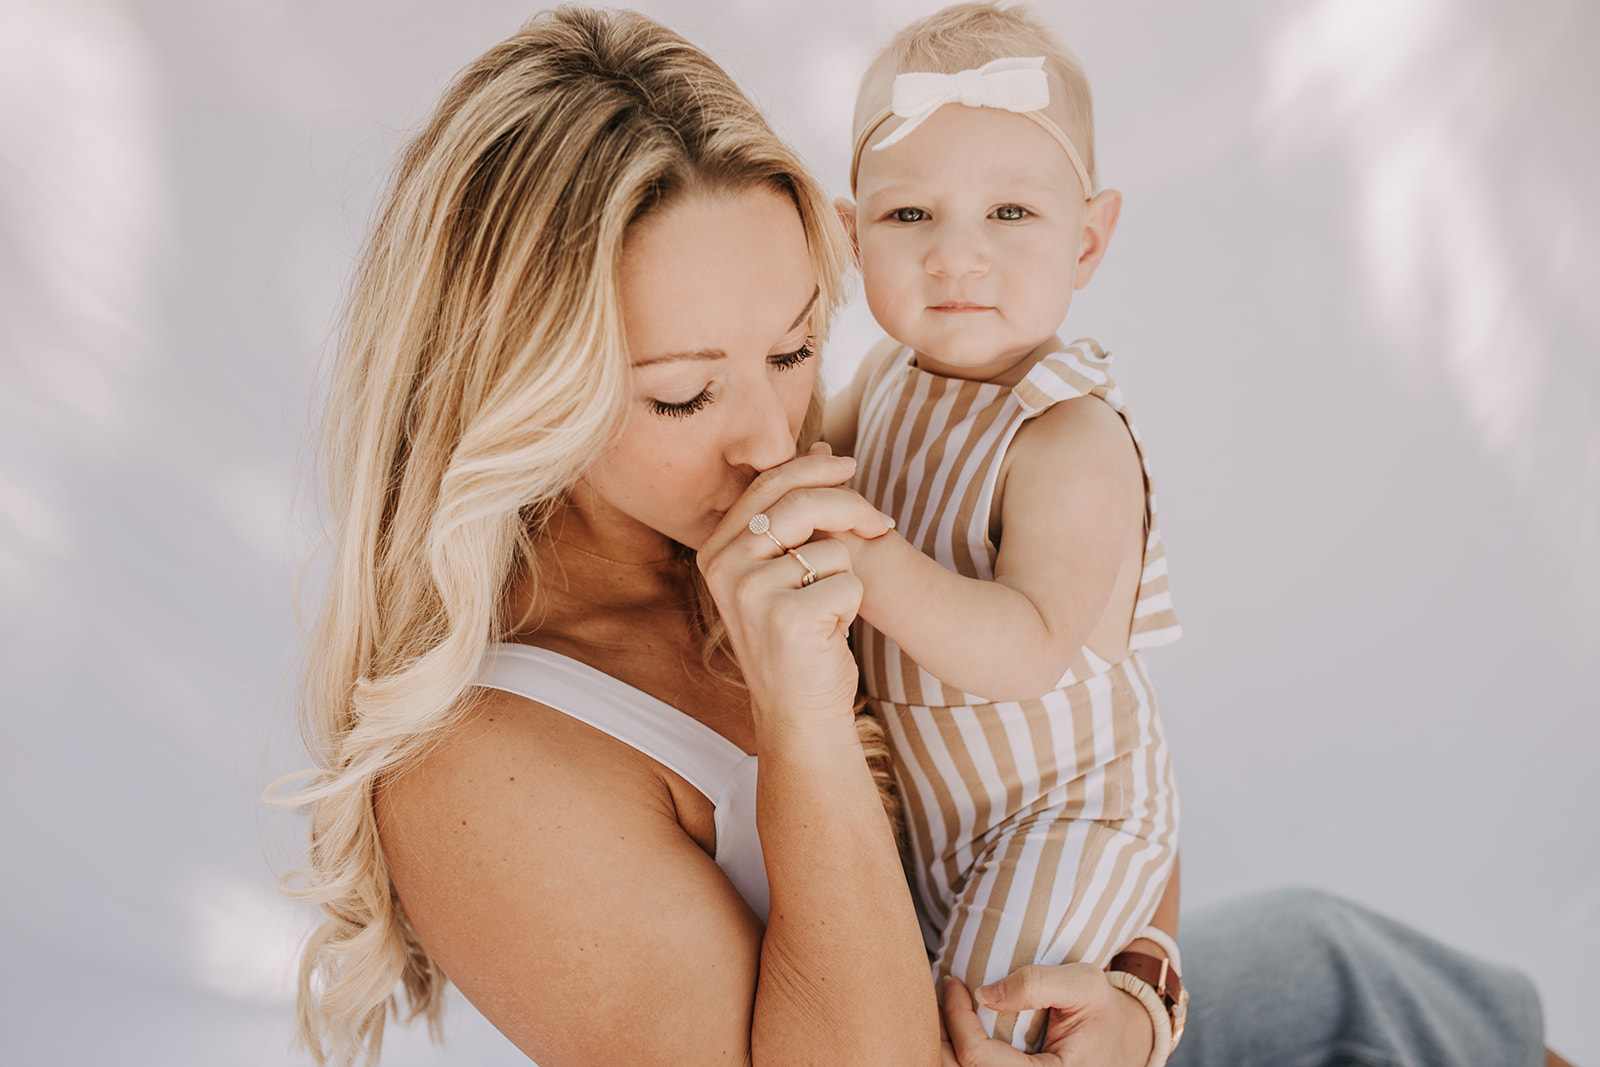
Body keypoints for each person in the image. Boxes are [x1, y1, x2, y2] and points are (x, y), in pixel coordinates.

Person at [275, 7, 1560, 1067]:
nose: (774, 438)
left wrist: (1137, 993)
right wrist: (804, 721)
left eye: (790, 347)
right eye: (680, 392)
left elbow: (1089, 753)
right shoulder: (480, 768)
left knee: (1330, 954)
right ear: (510, 384)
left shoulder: (826, 475)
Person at [821, 4, 1175, 1050]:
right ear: (851, 236)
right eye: (909, 217)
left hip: (1067, 812)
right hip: (943, 813)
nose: (955, 259)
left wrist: (861, 556)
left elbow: (1025, 648)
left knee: (964, 1025)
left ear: (1088, 238)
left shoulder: (1067, 433)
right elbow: (806, 460)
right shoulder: (885, 374)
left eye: (1009, 213)